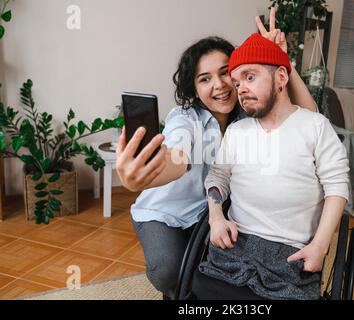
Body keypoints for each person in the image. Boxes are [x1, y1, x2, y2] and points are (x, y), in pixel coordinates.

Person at [115, 8, 317, 300]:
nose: (219, 85)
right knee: (169, 271)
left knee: (219, 274)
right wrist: (145, 175)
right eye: (204, 79)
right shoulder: (185, 118)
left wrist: (282, 61)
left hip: (212, 213)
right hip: (164, 213)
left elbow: (309, 121)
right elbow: (177, 156)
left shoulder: (250, 115)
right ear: (195, 90)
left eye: (224, 73)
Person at [199, 32, 350, 300]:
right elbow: (218, 177)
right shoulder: (237, 131)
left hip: (291, 251)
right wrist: (216, 217)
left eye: (250, 77)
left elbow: (337, 186)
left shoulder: (315, 126)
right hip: (235, 241)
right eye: (237, 82)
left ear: (281, 77)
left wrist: (320, 245)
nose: (240, 88)